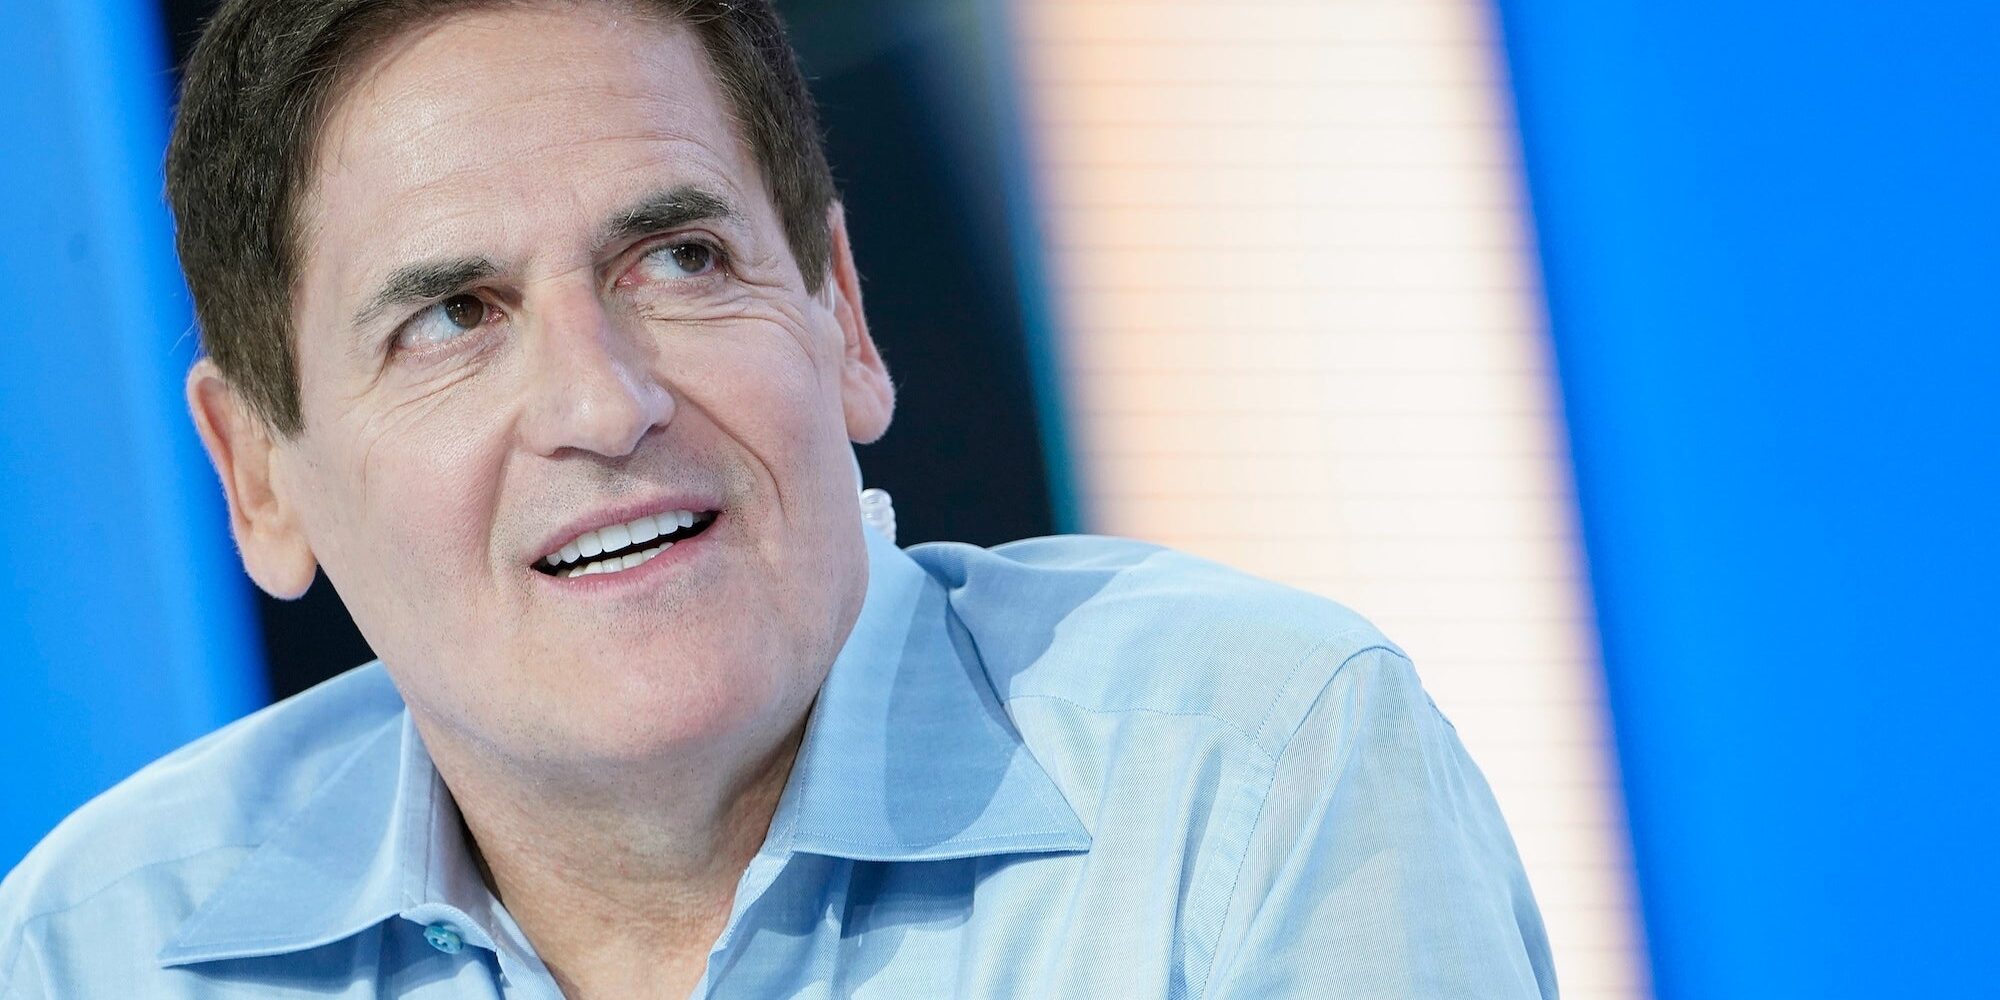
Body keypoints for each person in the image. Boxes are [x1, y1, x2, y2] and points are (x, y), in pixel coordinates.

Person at [0, 1, 1558, 996]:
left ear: (843, 317)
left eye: (679, 259)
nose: (605, 403)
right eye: (453, 318)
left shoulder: (1249, 776)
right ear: (259, 476)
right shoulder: (95, 951)